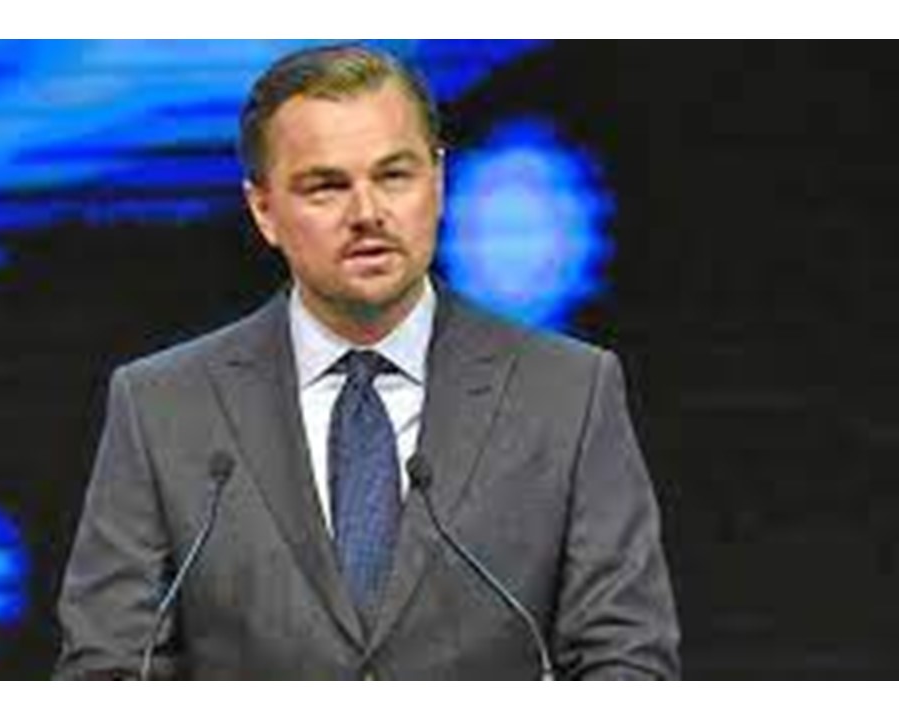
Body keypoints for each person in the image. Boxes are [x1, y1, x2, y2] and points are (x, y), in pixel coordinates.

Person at [54, 44, 679, 680]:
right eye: (327, 187)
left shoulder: (568, 393)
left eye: (394, 176)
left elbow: (626, 659)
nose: (367, 214)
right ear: (264, 210)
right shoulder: (163, 408)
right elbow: (108, 671)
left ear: (437, 181)